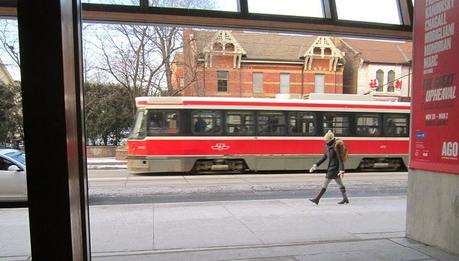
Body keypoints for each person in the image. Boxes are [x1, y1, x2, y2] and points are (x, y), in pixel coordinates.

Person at [309, 130, 349, 205]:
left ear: (330, 139)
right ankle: (345, 198)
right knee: (340, 184)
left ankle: (317, 199)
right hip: (332, 168)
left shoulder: (336, 146)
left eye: (326, 140)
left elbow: (340, 159)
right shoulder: (327, 146)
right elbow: (324, 157)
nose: (325, 141)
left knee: (325, 184)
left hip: (334, 169)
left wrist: (341, 170)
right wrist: (315, 165)